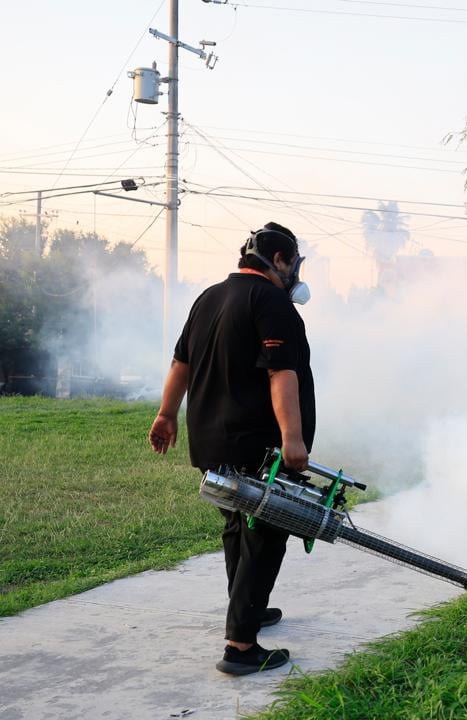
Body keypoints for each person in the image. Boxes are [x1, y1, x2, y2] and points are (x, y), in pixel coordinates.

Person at [148, 222, 316, 675]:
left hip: (211, 438)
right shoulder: (272, 302)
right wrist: (293, 439)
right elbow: (280, 373)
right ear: (278, 260)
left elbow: (180, 362)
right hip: (257, 444)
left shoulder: (210, 297)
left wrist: (166, 415)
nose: (295, 271)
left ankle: (245, 607)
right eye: (293, 261)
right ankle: (240, 646)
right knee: (266, 531)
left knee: (237, 524)